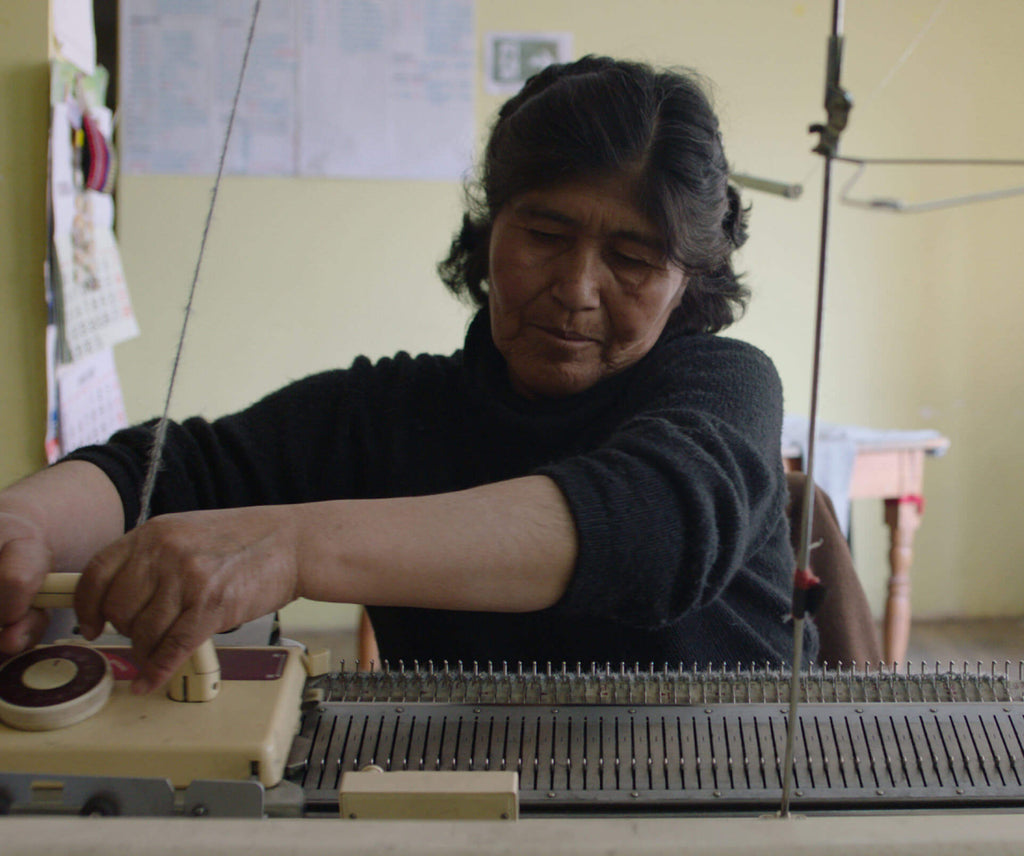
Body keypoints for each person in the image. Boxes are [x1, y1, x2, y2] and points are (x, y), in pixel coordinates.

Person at [0, 56, 816, 694]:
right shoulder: (395, 413)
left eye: (632, 259)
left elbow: (649, 529)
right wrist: (26, 526)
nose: (576, 290)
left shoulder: (725, 387)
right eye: (542, 233)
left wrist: (292, 546)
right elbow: (180, 469)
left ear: (689, 282)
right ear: (490, 228)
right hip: (470, 799)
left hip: (725, 799)